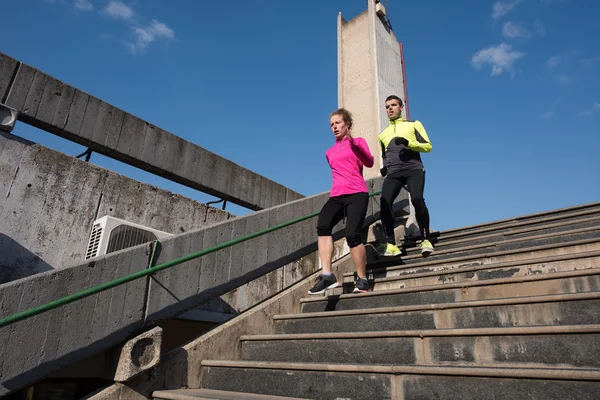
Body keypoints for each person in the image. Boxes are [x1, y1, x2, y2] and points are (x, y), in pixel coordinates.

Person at [309, 108, 375, 295]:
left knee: (352, 234)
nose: (334, 127)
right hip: (337, 195)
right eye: (331, 124)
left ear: (347, 124)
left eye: (338, 123)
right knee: (323, 225)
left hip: (357, 193)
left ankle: (362, 279)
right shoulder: (329, 152)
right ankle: (327, 275)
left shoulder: (358, 142)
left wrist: (356, 146)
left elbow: (369, 162)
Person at [377, 95, 434, 257]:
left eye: (393, 105)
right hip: (394, 173)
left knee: (416, 199)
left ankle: (425, 239)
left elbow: (428, 146)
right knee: (384, 201)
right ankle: (391, 244)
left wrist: (409, 143)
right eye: (387, 106)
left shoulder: (414, 125)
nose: (390, 108)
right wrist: (385, 167)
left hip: (413, 169)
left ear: (401, 108)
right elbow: (385, 155)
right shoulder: (383, 135)